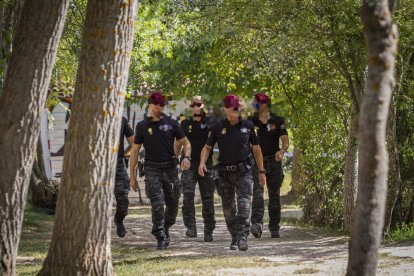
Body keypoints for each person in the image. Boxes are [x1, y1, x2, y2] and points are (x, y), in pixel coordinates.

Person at [198, 94, 266, 251]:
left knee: (244, 204)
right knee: (229, 211)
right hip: (224, 174)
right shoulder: (218, 127)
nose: (233, 111)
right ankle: (235, 236)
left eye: (236, 108)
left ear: (240, 108)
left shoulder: (248, 126)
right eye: (230, 108)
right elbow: (207, 147)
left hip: (244, 172)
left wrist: (261, 171)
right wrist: (202, 163)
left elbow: (256, 149)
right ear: (225, 109)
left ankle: (243, 236)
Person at [129, 92, 191, 250]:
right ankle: (161, 236)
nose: (159, 107)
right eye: (156, 104)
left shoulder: (171, 123)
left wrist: (186, 158)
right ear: (150, 105)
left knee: (173, 205)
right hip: (151, 169)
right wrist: (132, 176)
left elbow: (186, 143)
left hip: (170, 169)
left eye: (162, 104)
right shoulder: (142, 126)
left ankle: (164, 227)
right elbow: (135, 151)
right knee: (157, 203)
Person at [175, 96, 216, 242]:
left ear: (203, 105)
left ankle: (209, 229)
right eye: (193, 104)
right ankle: (191, 227)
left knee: (207, 198)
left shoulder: (211, 123)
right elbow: (179, 143)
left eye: (198, 104)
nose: (196, 107)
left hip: (206, 164)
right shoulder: (185, 123)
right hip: (189, 164)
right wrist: (175, 159)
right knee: (187, 196)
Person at [249, 92, 289, 238]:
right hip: (257, 162)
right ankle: (256, 224)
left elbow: (285, 140)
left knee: (274, 195)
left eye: (256, 101)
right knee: (258, 194)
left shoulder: (278, 120)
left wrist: (282, 151)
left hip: (274, 161)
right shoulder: (251, 121)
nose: (254, 104)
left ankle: (274, 227)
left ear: (264, 103)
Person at [114, 116, 135, 238]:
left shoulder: (121, 119)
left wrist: (125, 155)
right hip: (98, 165)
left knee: (123, 199)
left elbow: (134, 143)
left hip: (118, 164)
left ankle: (119, 219)